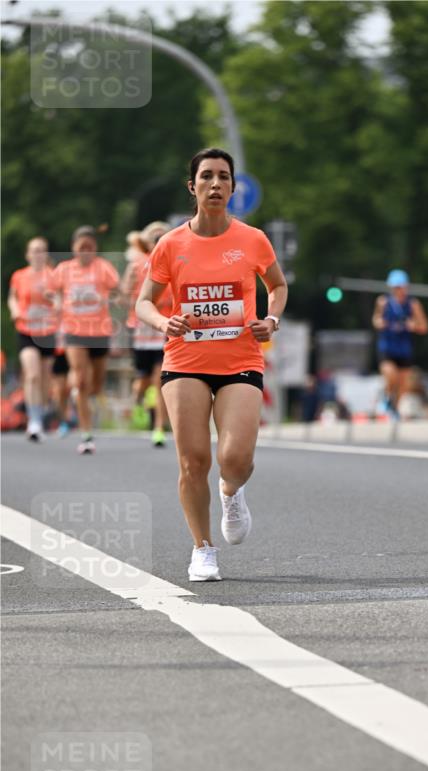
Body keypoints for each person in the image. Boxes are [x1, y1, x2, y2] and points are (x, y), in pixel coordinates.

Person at [135, 148, 288, 581]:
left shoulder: (252, 239)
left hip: (240, 359)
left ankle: (231, 490)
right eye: (206, 176)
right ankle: (203, 548)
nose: (215, 184)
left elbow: (277, 286)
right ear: (193, 186)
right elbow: (143, 302)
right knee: (193, 460)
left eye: (223, 176)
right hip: (185, 360)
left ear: (234, 188)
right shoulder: (171, 244)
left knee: (235, 458)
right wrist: (164, 321)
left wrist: (271, 320)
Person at [53, 226, 120, 454]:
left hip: (99, 331)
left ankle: (82, 399)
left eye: (90, 247)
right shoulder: (64, 269)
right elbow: (53, 293)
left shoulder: (104, 267)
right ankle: (86, 434)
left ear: (95, 248)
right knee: (81, 380)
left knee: (96, 384)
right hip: (74, 331)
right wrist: (57, 304)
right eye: (82, 247)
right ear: (74, 248)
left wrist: (109, 299)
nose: (86, 251)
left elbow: (118, 292)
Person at [122, 221, 172, 446]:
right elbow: (124, 295)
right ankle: (138, 397)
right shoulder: (137, 265)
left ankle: (159, 428)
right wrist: (133, 294)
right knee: (143, 379)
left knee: (160, 378)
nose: (159, 242)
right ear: (148, 243)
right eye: (155, 239)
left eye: (163, 237)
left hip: (165, 327)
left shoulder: (176, 262)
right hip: (141, 329)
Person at [7, 236, 59, 441]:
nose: (38, 254)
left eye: (42, 250)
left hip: (48, 332)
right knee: (32, 375)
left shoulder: (53, 276)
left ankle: (43, 410)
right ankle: (34, 421)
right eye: (35, 250)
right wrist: (15, 310)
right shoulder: (19, 276)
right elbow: (13, 297)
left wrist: (54, 301)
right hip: (26, 330)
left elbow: (61, 299)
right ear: (28, 255)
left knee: (45, 380)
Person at [372, 270, 428, 415]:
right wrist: (380, 323)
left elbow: (424, 326)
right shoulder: (383, 302)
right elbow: (376, 320)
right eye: (395, 287)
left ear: (405, 287)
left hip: (404, 349)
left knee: (404, 384)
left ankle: (394, 409)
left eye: (400, 287)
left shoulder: (413, 304)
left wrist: (414, 326)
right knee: (391, 375)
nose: (398, 290)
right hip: (387, 347)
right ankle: (386, 397)